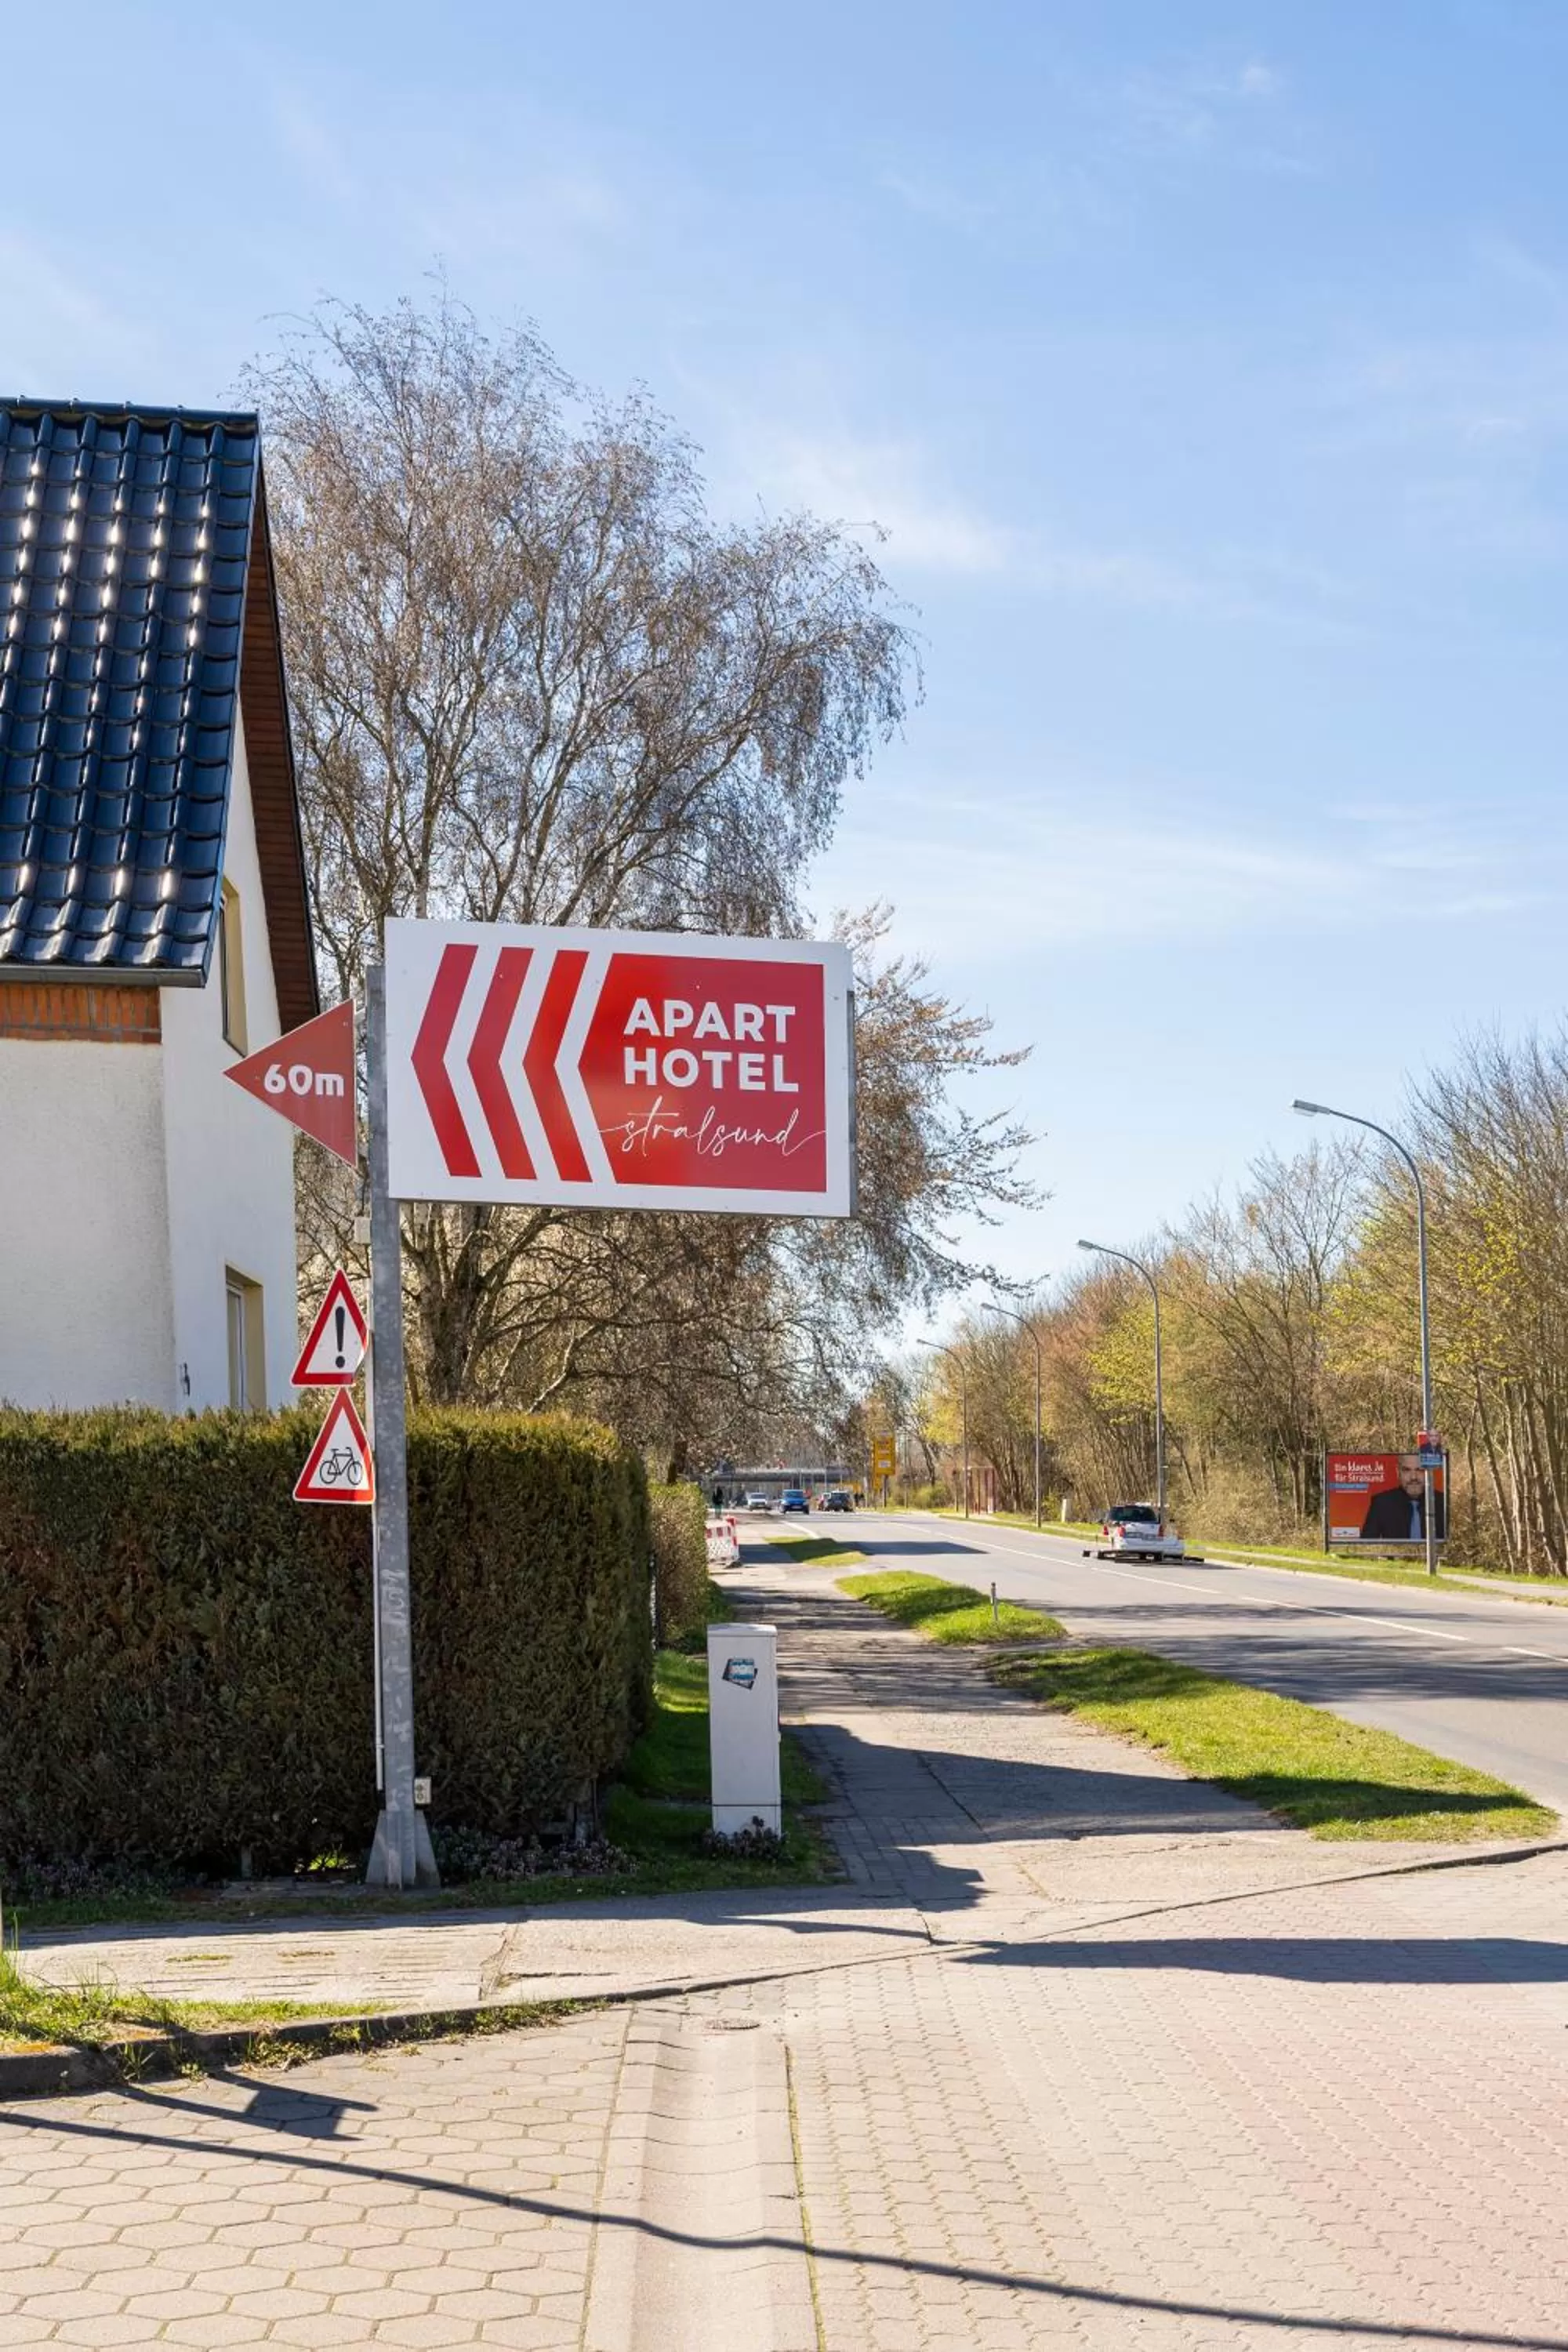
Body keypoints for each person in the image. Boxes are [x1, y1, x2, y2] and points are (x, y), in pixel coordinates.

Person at [1361, 1454, 1446, 1542]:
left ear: (1430, 1472)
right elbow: (1365, 1545)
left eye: (1420, 1470)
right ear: (1398, 1473)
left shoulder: (1444, 1502)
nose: (1414, 1477)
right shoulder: (1381, 1503)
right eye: (1407, 1470)